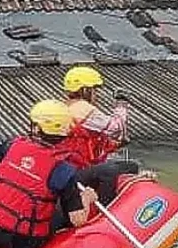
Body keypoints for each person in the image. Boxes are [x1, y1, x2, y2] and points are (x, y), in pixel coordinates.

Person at [0, 100, 98, 248]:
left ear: (36, 127)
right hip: (23, 241)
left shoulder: (11, 145)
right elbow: (77, 220)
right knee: (58, 212)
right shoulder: (64, 169)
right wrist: (87, 198)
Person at [59, 65, 140, 206]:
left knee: (123, 166)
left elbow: (87, 142)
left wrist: (115, 145)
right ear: (85, 90)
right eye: (95, 90)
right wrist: (121, 105)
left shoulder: (65, 106)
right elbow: (116, 128)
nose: (97, 94)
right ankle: (105, 206)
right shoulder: (84, 109)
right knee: (118, 169)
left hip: (70, 167)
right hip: (76, 171)